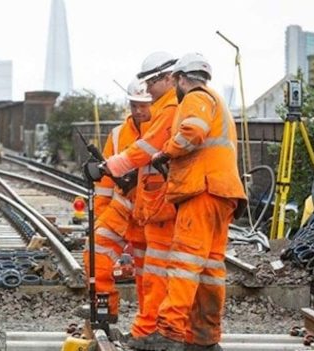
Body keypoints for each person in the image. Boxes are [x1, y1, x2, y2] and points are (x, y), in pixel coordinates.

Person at [129, 53, 247, 351]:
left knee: (184, 262)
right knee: (209, 269)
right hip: (223, 195)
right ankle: (204, 338)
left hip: (202, 192)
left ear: (181, 78)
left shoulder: (194, 98)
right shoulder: (218, 102)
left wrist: (166, 153)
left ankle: (169, 332)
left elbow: (192, 132)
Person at [104, 51, 179, 339]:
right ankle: (156, 328)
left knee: (158, 272)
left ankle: (154, 329)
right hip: (148, 207)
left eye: (151, 84)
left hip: (161, 206)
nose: (147, 92)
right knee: (150, 272)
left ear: (169, 78)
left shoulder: (169, 111)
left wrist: (111, 166)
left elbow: (147, 150)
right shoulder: (167, 110)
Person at [82, 78, 153, 322]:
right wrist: (100, 218)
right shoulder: (117, 135)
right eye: (134, 105)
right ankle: (105, 311)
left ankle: (149, 323)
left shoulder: (164, 129)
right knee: (95, 252)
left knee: (149, 274)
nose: (138, 111)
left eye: (144, 105)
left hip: (152, 214)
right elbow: (104, 186)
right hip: (122, 210)